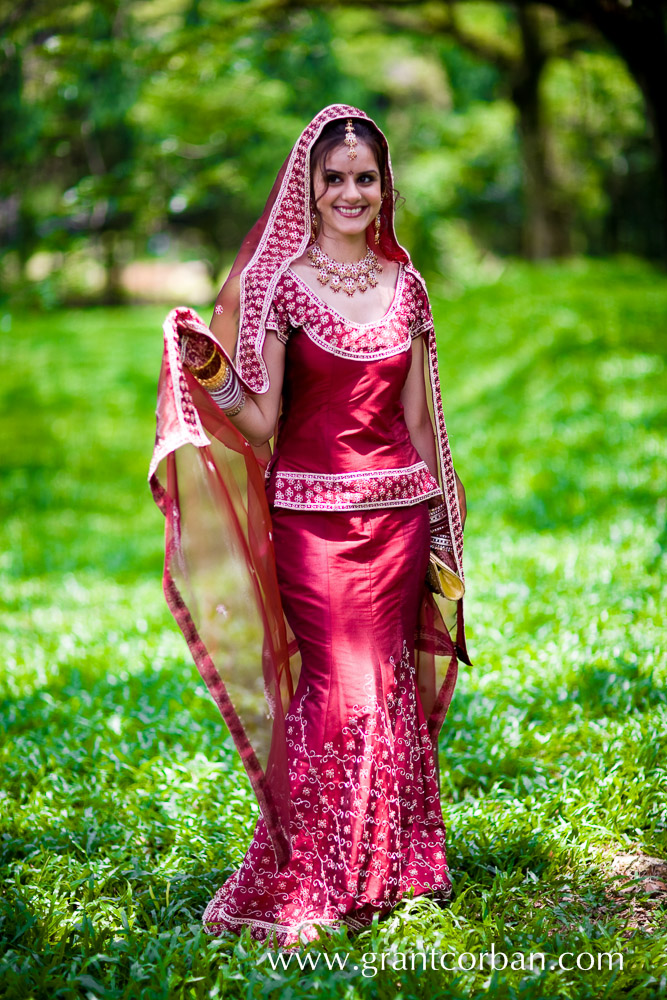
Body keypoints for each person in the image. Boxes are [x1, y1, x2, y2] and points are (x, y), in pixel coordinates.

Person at [149, 104, 470, 946]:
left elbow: (421, 424)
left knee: (388, 681)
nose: (352, 192)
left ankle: (399, 868)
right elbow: (259, 423)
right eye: (336, 179)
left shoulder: (409, 287)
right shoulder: (285, 284)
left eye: (366, 178)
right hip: (311, 520)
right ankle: (319, 880)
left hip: (398, 515)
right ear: (311, 186)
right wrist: (208, 371)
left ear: (383, 186)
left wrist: (440, 526)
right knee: (336, 683)